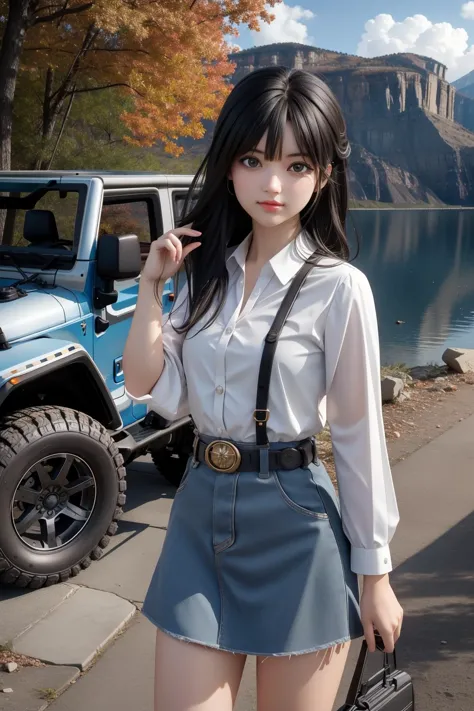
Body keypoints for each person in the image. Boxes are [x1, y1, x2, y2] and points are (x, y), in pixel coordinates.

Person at [123, 66, 403, 711]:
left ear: (324, 175)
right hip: (200, 513)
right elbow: (149, 385)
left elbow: (360, 435)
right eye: (253, 159)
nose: (272, 184)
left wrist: (376, 574)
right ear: (228, 166)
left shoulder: (339, 287)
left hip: (295, 521)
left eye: (297, 165)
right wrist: (150, 289)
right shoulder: (203, 276)